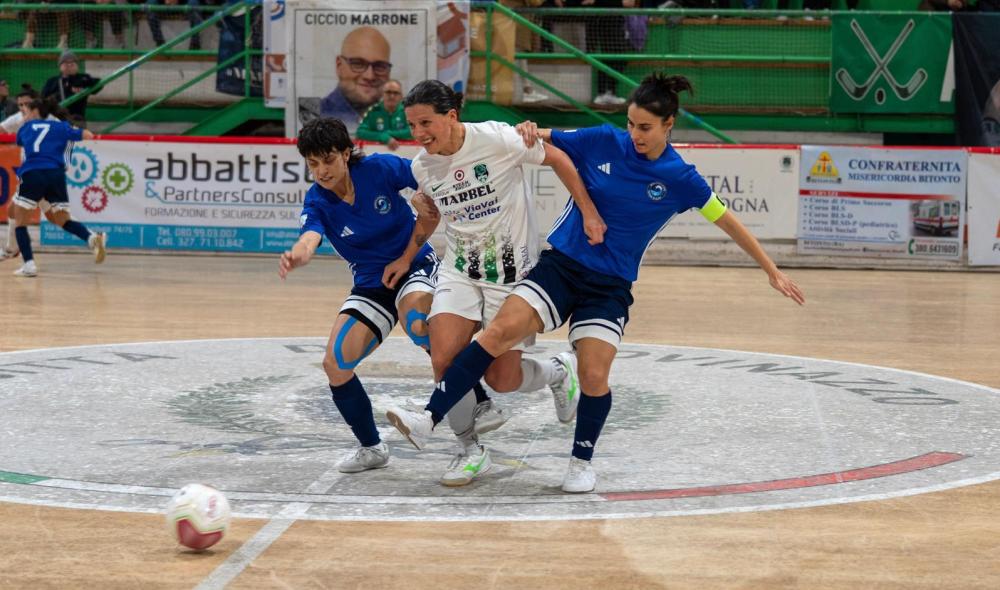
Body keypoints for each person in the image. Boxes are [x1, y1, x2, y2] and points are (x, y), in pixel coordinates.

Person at [386, 73, 805, 493]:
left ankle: (580, 461)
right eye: (631, 124)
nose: (634, 135)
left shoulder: (680, 177)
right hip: (561, 266)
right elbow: (538, 137)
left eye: (645, 127)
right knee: (496, 334)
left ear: (669, 124)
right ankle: (429, 417)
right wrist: (528, 128)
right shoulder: (604, 139)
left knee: (593, 374)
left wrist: (771, 269)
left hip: (610, 284)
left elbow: (726, 219)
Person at [384, 80, 600, 486]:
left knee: (503, 378)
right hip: (459, 270)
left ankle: (557, 372)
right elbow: (432, 216)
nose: (418, 133)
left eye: (425, 123)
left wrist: (587, 211)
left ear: (451, 116)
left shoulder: (498, 139)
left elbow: (558, 158)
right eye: (411, 125)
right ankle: (469, 451)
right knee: (443, 358)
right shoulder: (422, 166)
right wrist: (406, 256)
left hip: (510, 275)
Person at [278, 117, 506, 475]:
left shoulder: (379, 168)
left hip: (414, 265)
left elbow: (426, 175)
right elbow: (310, 236)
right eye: (313, 163)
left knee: (418, 323)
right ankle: (372, 448)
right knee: (335, 364)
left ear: (346, 153)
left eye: (329, 160)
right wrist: (300, 252)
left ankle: (475, 420)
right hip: (371, 284)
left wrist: (421, 195)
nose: (321, 171)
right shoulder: (317, 200)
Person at [10, 97, 108, 277]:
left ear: (35, 111)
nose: (24, 114)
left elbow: (22, 143)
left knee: (19, 221)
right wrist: (69, 134)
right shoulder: (61, 127)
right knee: (62, 220)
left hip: (32, 174)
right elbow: (88, 135)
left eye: (26, 110)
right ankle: (92, 238)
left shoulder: (25, 127)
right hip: (55, 175)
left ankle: (28, 264)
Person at [2, 86, 71, 263]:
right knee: (52, 216)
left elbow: (68, 140)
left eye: (27, 104)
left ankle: (15, 252)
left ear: (36, 105)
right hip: (32, 173)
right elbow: (1, 128)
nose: (23, 107)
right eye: (20, 105)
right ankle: (92, 236)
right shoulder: (20, 118)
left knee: (15, 210)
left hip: (44, 173)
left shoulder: (52, 121)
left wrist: (64, 163)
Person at [297, 27, 392, 135]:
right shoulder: (314, 116)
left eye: (380, 66)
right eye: (358, 63)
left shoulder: (397, 117)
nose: (369, 76)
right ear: (339, 66)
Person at [41, 51, 102, 125]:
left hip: (77, 119)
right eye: (66, 63)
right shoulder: (52, 81)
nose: (69, 65)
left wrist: (83, 84)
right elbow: (43, 98)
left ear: (77, 65)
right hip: (57, 120)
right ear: (60, 66)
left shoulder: (83, 78)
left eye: (72, 62)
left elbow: (98, 86)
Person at [355, 79, 411, 151]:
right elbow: (360, 132)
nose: (392, 96)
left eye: (396, 93)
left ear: (401, 96)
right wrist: (382, 136)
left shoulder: (407, 111)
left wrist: (389, 134)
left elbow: (412, 132)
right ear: (382, 94)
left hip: (406, 153)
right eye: (388, 92)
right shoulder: (373, 111)